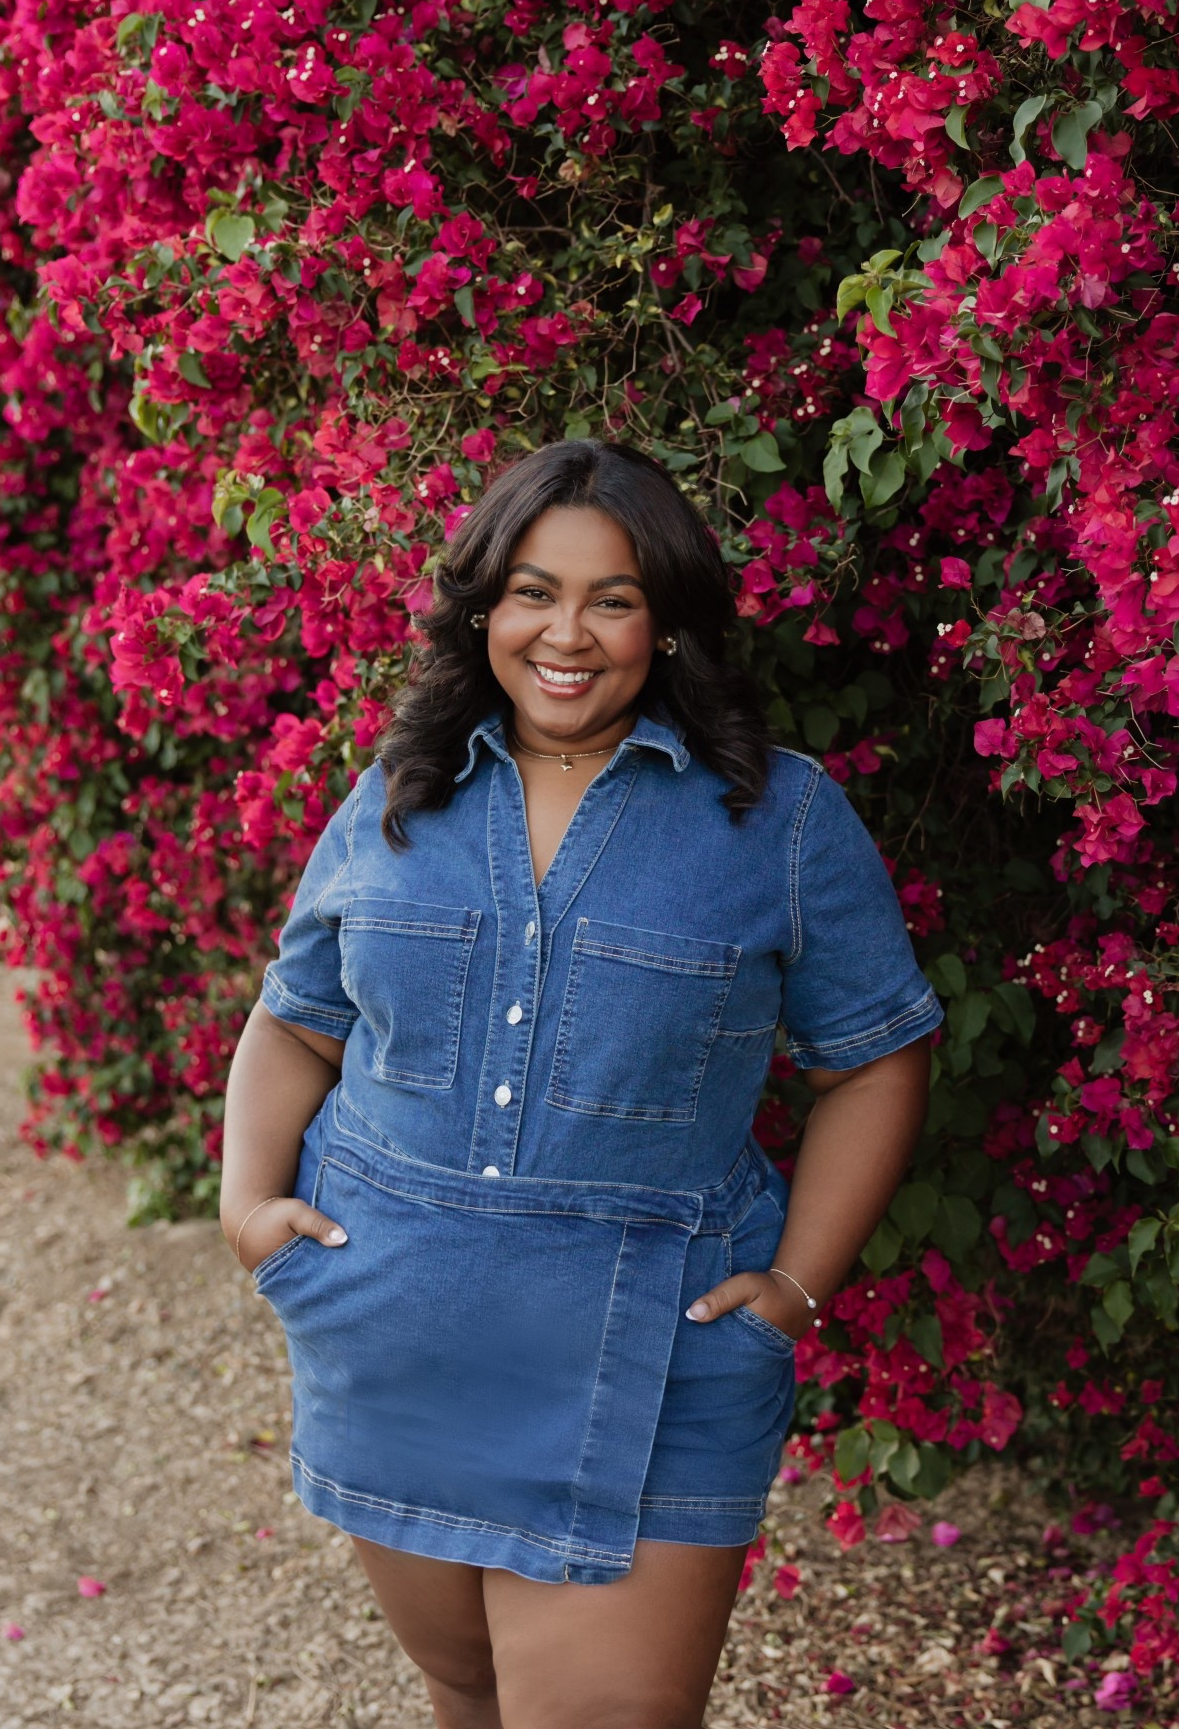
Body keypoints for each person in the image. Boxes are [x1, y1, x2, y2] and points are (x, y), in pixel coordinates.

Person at [220, 437, 943, 1729]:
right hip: (398, 1340)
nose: (569, 633)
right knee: (469, 1691)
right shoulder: (399, 792)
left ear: (663, 622)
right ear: (484, 608)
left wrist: (792, 1288)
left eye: (611, 598)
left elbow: (878, 1053)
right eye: (533, 592)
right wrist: (247, 1207)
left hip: (655, 1364)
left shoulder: (776, 819)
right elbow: (297, 1020)